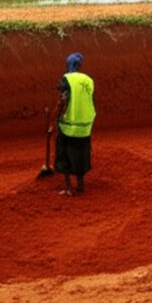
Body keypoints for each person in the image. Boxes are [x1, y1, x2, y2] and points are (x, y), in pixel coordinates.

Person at [55, 52, 95, 196]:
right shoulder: (89, 80)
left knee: (64, 154)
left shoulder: (67, 79)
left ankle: (68, 187)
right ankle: (80, 183)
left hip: (69, 125)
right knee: (81, 155)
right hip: (86, 125)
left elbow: (63, 100)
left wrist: (57, 115)